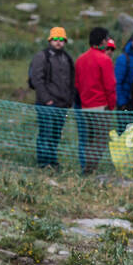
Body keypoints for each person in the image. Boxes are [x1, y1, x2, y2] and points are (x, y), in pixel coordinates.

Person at [29, 27, 77, 168]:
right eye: (55, 39)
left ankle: (53, 161)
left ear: (65, 41)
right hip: (46, 104)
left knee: (56, 134)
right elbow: (37, 79)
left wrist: (69, 100)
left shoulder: (67, 58)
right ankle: (44, 163)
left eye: (61, 39)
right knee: (46, 133)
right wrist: (47, 100)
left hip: (62, 105)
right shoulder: (42, 56)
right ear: (50, 40)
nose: (58, 42)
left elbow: (71, 81)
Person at [75, 27, 116, 175]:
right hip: (101, 106)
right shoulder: (105, 59)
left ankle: (87, 168)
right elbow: (110, 86)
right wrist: (111, 106)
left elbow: (77, 84)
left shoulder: (80, 59)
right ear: (103, 41)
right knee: (99, 140)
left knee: (89, 138)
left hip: (85, 106)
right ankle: (90, 170)